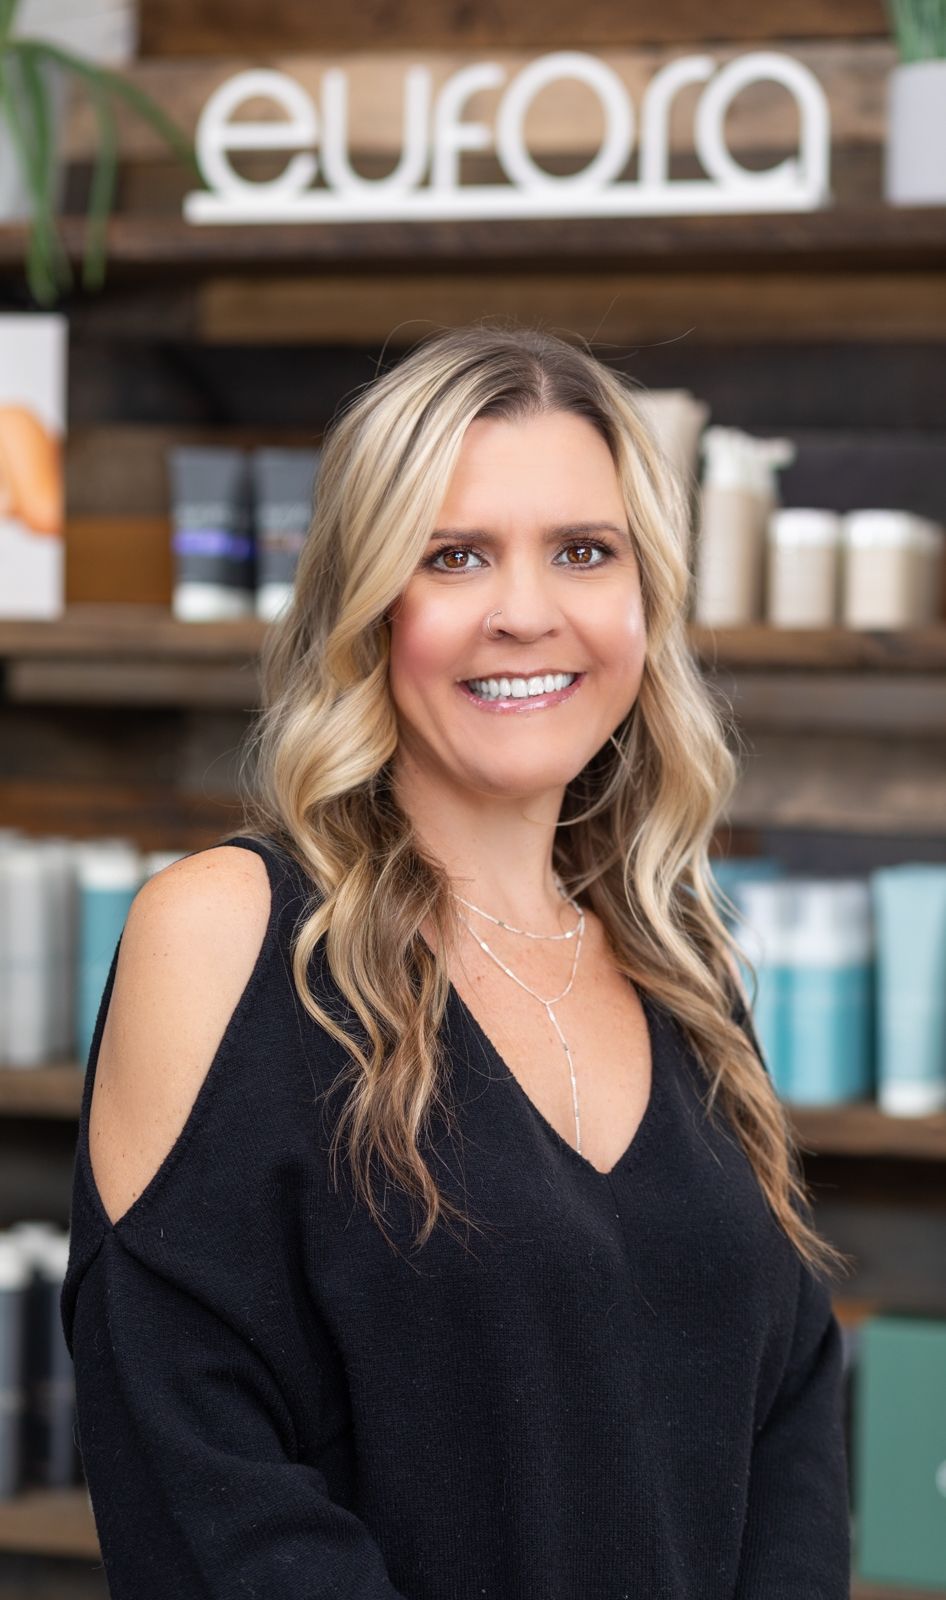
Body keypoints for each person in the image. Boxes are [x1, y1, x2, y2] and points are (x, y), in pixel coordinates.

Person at [61, 323, 853, 1598]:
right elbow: (201, 1470)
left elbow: (788, 1426)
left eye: (584, 552)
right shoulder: (222, 931)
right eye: (454, 555)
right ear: (369, 605)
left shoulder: (682, 967)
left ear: (644, 598)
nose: (526, 612)